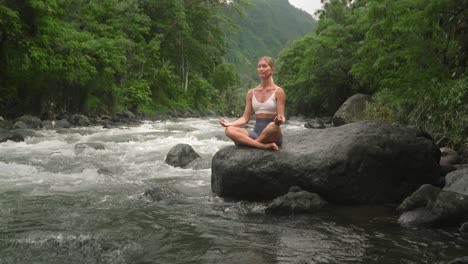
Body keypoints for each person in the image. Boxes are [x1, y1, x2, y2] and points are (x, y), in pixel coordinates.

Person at [219, 56, 286, 151]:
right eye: (259, 66)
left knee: (273, 126)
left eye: (264, 66)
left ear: (272, 69)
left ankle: (249, 143)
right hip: (256, 133)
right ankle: (261, 145)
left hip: (273, 134)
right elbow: (245, 118)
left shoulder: (279, 91)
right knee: (229, 130)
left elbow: (282, 117)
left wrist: (279, 120)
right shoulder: (251, 93)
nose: (261, 69)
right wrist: (230, 124)